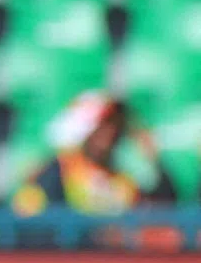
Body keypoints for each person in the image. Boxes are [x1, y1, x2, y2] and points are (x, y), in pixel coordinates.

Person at [12, 92, 180, 249]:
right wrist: (96, 236)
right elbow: (33, 229)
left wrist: (154, 158)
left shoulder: (123, 180)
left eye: (115, 125)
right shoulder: (58, 171)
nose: (110, 133)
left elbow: (164, 207)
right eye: (103, 125)